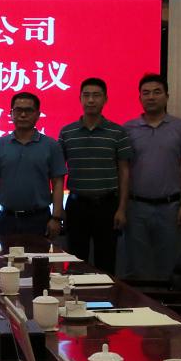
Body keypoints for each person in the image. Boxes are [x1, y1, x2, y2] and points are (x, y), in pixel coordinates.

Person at [122, 73, 181, 280]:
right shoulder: (128, 129)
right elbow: (123, 169)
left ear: (167, 96)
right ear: (139, 98)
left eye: (157, 92)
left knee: (170, 266)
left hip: (170, 207)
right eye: (146, 93)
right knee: (137, 267)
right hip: (136, 208)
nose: (151, 97)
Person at [58, 77, 132, 274]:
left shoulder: (118, 132)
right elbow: (57, 173)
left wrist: (122, 209)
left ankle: (105, 295)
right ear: (80, 99)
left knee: (106, 262)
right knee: (76, 262)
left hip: (107, 206)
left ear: (105, 99)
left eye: (96, 95)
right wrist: (58, 208)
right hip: (76, 205)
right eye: (86, 95)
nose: (91, 100)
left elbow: (124, 171)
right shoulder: (67, 132)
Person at [0, 91, 66, 239]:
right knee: (6, 255)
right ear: (11, 114)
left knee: (38, 254)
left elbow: (58, 183)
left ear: (38, 115)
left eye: (28, 110)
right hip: (7, 219)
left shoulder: (51, 146)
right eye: (18, 110)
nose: (22, 115)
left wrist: (56, 217)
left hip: (39, 219)